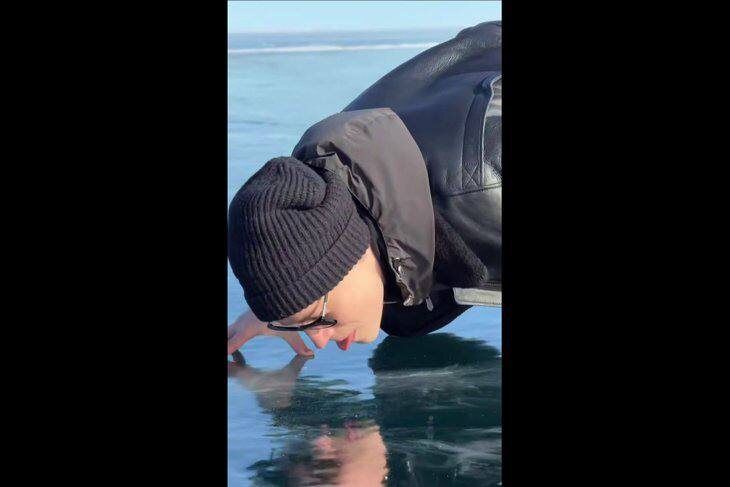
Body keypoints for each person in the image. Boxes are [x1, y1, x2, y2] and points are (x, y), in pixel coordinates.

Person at [228, 21, 501, 356]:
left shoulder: (484, 183)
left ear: (349, 255)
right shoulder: (342, 175)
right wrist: (285, 308)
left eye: (318, 318)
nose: (319, 340)